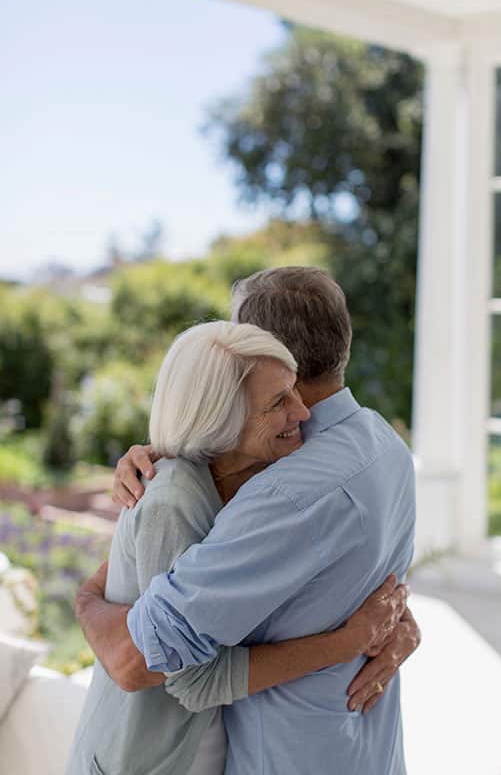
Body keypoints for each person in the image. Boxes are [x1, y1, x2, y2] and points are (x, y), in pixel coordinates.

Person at [77, 267, 420, 774]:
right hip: (367, 749)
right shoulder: (385, 444)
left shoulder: (282, 494)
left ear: (272, 353)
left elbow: (136, 656)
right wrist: (177, 457)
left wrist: (84, 603)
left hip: (287, 757)